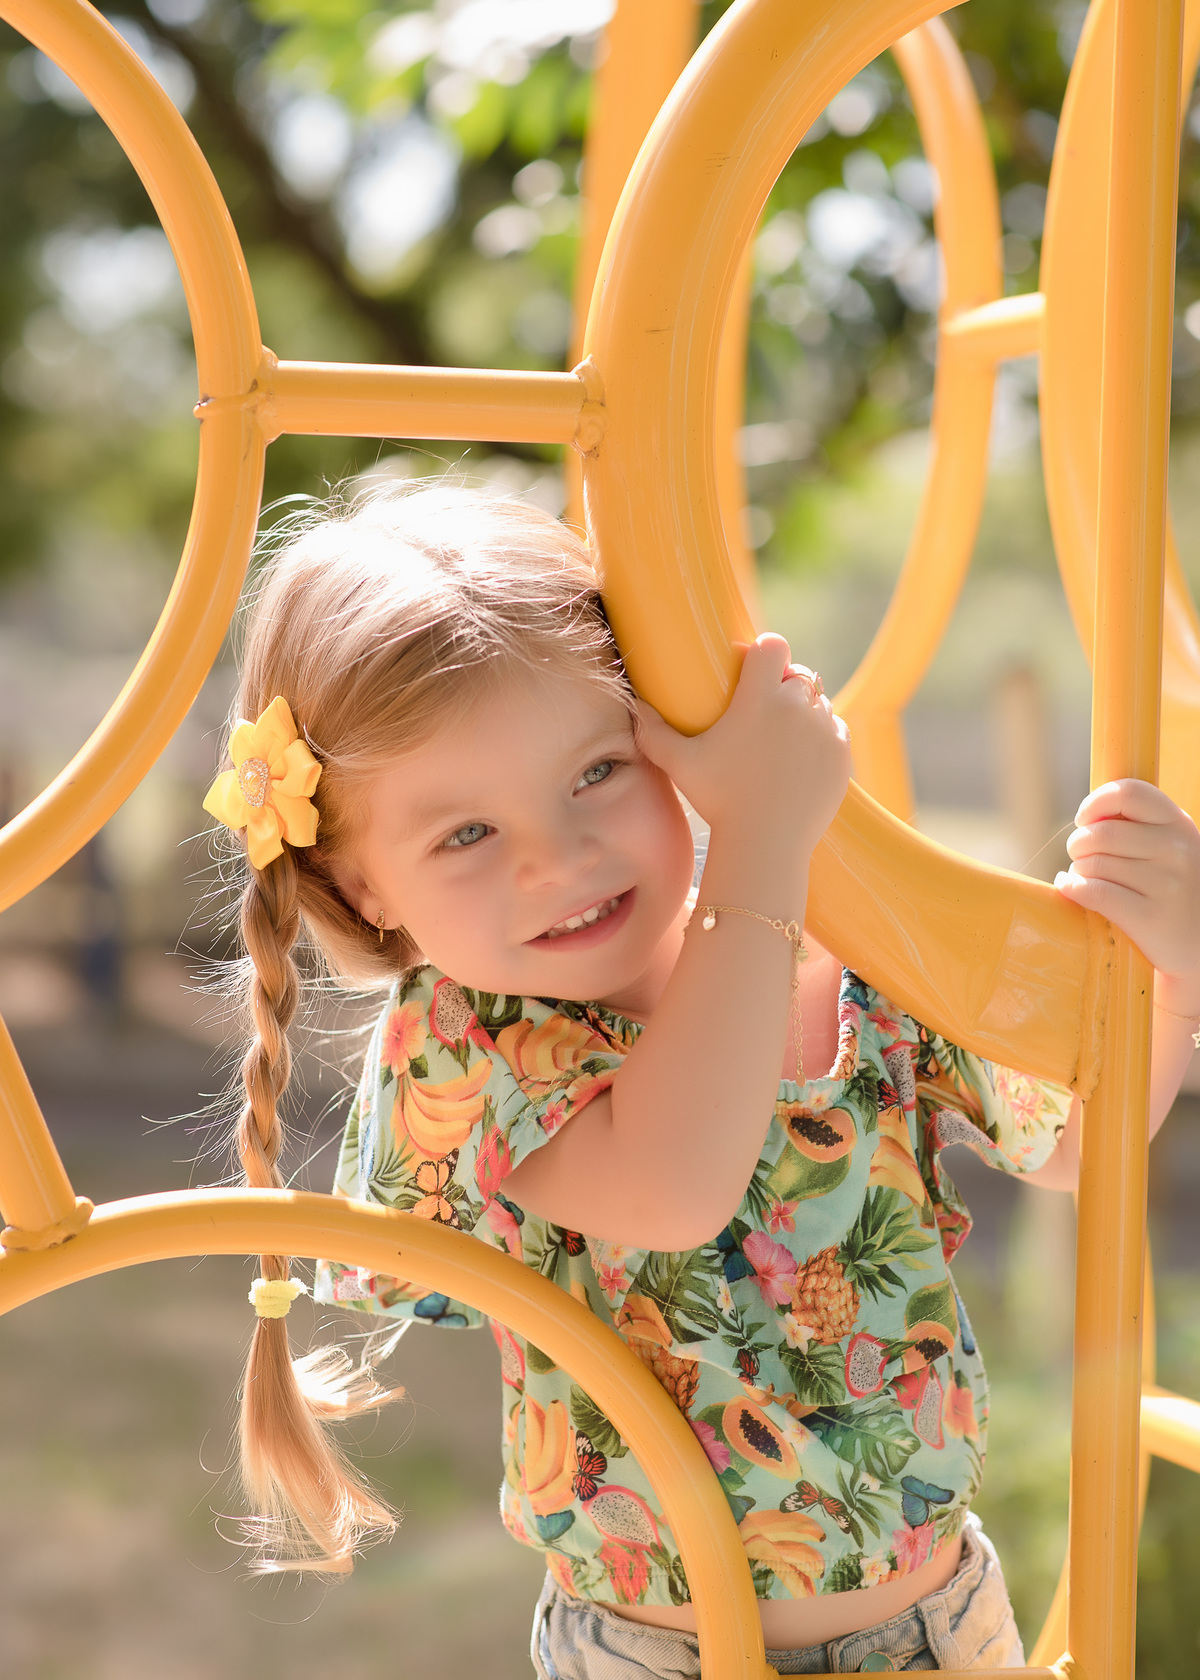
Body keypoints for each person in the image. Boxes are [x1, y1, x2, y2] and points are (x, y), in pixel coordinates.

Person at [203, 482, 1200, 1676]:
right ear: (363, 888)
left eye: (596, 774)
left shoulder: (846, 944)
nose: (558, 860)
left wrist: (1172, 985)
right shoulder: (472, 1041)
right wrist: (766, 847)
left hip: (942, 1623)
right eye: (464, 835)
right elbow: (674, 1180)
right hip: (658, 1654)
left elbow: (1079, 1144)